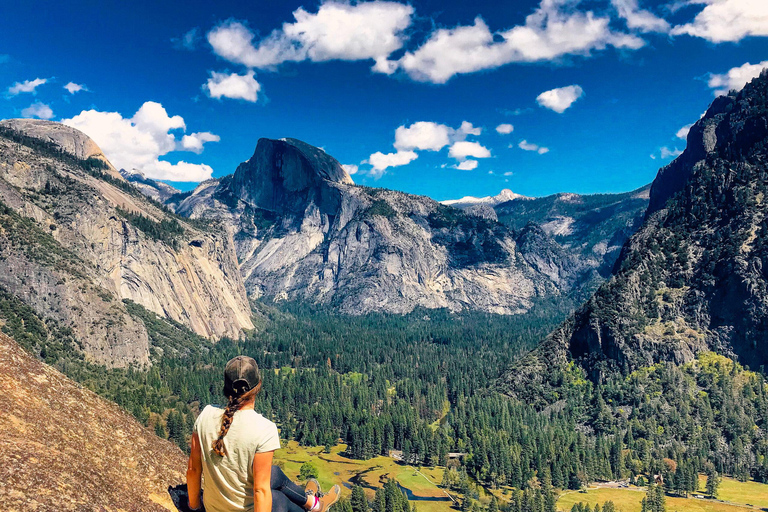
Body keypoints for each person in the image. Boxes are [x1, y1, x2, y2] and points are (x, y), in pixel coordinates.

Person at [187, 356, 341, 512]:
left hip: (213, 507)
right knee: (278, 498)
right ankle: (314, 508)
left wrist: (194, 508)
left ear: (225, 387)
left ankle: (314, 504)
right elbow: (260, 491)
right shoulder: (264, 429)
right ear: (258, 386)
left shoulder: (205, 415)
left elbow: (193, 470)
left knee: (274, 473)